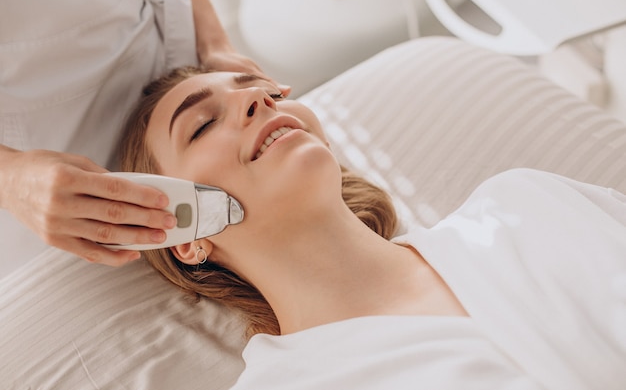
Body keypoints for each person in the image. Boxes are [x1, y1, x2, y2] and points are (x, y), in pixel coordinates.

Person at [117, 66, 626, 389]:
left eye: (263, 88)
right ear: (184, 233)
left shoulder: (524, 203)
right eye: (202, 124)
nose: (260, 101)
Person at [0, 0, 288, 277]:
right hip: (48, 159)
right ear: (192, 245)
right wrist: (9, 178)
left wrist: (214, 43)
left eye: (263, 90)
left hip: (165, 42)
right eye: (203, 126)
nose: (257, 96)